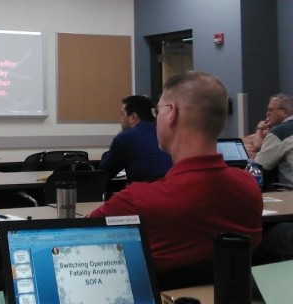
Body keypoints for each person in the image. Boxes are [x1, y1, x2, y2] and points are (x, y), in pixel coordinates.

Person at [88, 71, 262, 274]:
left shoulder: (135, 202)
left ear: (171, 113)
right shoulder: (249, 187)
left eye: (157, 112)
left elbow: (78, 238)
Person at [99, 95, 172, 182]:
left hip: (146, 193)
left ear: (133, 117)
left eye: (122, 114)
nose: (120, 119)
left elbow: (104, 174)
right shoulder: (167, 133)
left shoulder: (125, 138)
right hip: (175, 189)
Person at [249, 94, 293, 186]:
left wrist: (252, 158)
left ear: (285, 112)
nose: (267, 114)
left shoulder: (280, 132)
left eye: (271, 110)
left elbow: (259, 166)